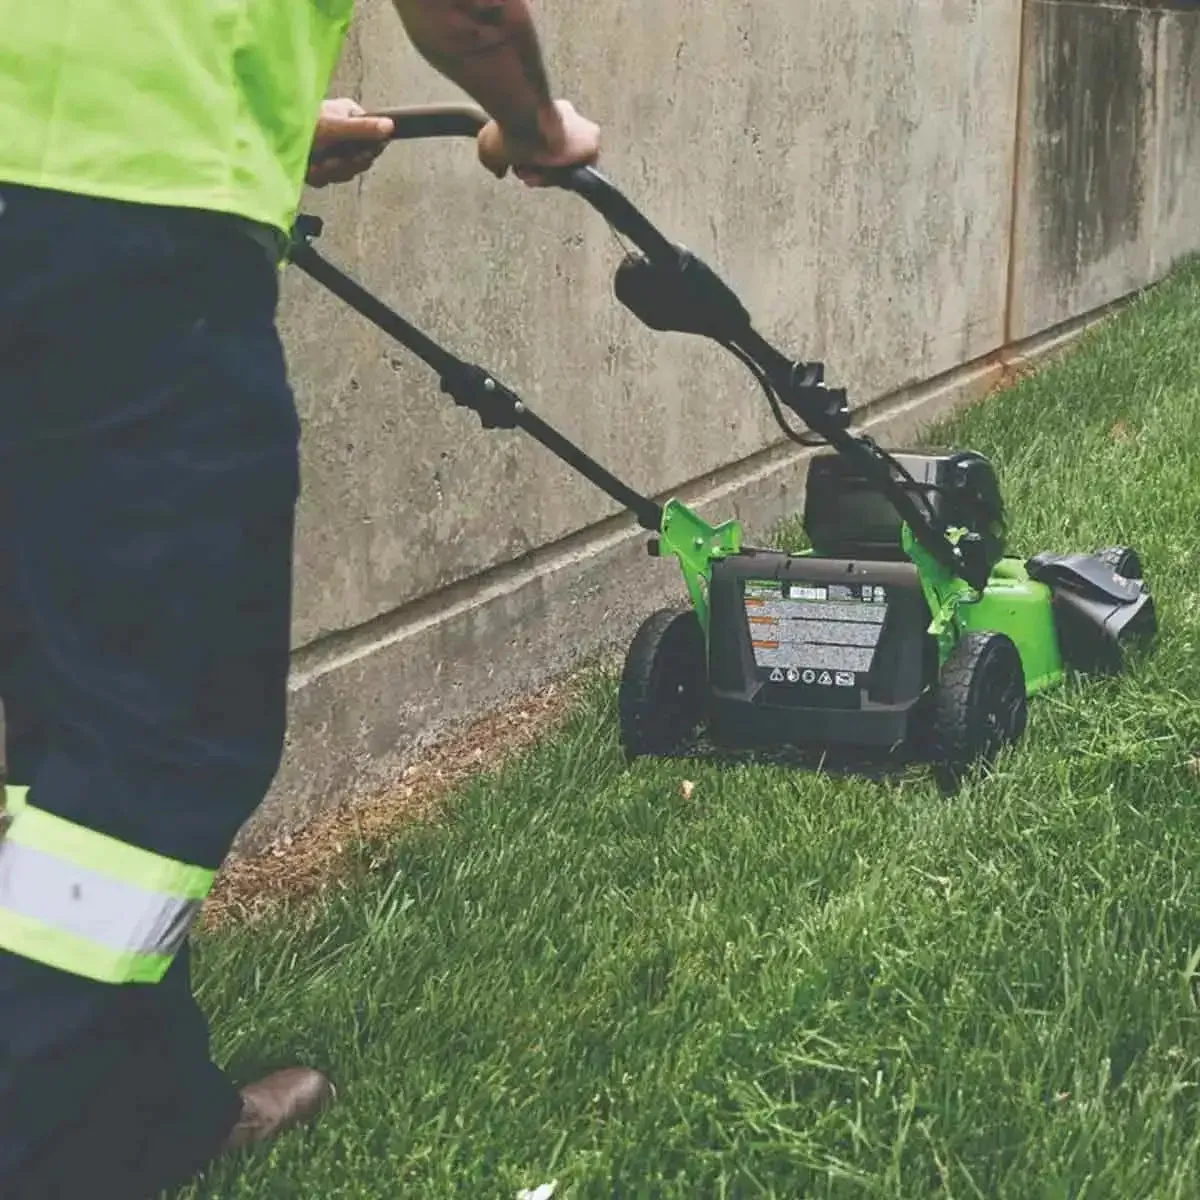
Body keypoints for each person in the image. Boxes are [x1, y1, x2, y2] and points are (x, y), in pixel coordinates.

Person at [0, 1, 599, 1196]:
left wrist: (263, 122)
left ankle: (149, 1111)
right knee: (171, 740)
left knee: (75, 707)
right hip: (133, 239)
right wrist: (534, 123)